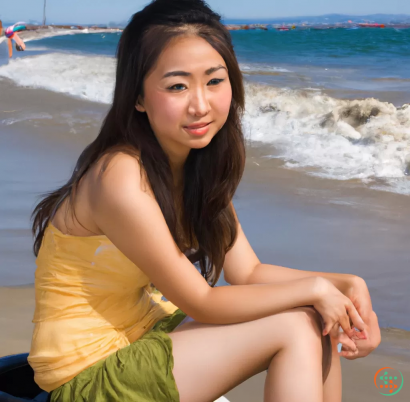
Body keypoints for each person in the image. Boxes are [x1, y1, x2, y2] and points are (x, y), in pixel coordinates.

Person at [28, 1, 381, 401]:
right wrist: (316, 289)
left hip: (145, 331)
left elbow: (248, 272)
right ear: (138, 97)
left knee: (314, 316)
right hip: (85, 375)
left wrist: (347, 286)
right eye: (177, 86)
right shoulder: (120, 177)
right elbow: (204, 300)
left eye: (214, 81)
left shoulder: (197, 165)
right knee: (297, 323)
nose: (200, 104)